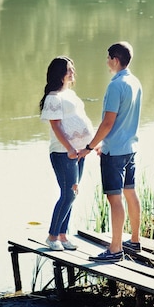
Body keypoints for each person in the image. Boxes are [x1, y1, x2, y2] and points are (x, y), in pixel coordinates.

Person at [79, 41, 143, 262]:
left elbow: (108, 122)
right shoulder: (135, 82)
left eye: (108, 58)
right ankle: (134, 241)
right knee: (130, 193)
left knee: (114, 199)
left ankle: (115, 250)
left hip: (114, 152)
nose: (106, 63)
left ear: (115, 60)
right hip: (130, 148)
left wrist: (89, 147)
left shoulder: (115, 86)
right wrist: (101, 144)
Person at [39, 56, 94, 251]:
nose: (72, 72)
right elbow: (56, 126)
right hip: (64, 153)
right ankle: (52, 235)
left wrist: (93, 144)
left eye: (72, 68)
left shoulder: (70, 94)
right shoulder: (53, 98)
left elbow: (82, 118)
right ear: (58, 73)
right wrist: (70, 148)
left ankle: (63, 235)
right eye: (68, 69)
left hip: (80, 152)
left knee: (74, 192)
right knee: (68, 194)